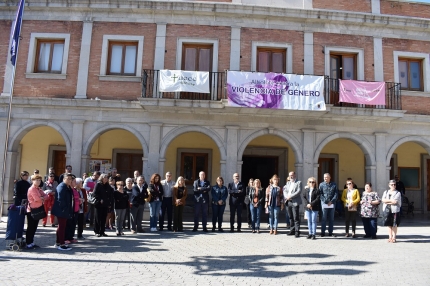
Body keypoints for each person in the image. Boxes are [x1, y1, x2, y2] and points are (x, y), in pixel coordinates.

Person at [51, 173, 74, 251]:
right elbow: (60, 199)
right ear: (64, 179)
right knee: (62, 227)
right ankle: (62, 244)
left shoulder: (67, 187)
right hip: (61, 210)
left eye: (71, 179)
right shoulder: (62, 186)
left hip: (64, 210)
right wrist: (64, 209)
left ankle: (58, 243)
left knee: (61, 226)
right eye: (68, 178)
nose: (69, 180)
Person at [26, 174, 48, 249]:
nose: (38, 181)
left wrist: (42, 197)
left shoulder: (39, 189)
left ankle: (31, 242)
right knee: (31, 227)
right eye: (37, 180)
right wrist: (42, 198)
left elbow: (46, 196)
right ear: (32, 181)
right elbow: (37, 199)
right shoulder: (31, 189)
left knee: (34, 227)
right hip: (32, 210)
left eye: (39, 180)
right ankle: (28, 242)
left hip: (38, 209)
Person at [319, 173, 338, 237]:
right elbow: (320, 194)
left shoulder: (334, 184)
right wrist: (326, 201)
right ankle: (323, 232)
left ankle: (330, 232)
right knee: (324, 218)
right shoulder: (321, 185)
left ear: (330, 178)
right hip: (324, 203)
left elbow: (336, 194)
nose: (325, 179)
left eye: (327, 177)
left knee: (331, 218)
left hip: (332, 203)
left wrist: (332, 201)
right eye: (324, 177)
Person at [283, 171, 302, 238]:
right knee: (290, 217)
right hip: (288, 202)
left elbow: (298, 191)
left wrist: (290, 196)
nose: (291, 176)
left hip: (295, 202)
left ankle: (297, 231)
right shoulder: (288, 183)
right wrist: (286, 196)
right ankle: (292, 230)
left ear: (295, 175)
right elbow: (285, 191)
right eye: (290, 175)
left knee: (296, 217)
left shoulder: (299, 182)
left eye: (292, 175)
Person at [65, 175, 80, 244]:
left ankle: (71, 237)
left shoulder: (74, 189)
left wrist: (80, 200)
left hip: (76, 209)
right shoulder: (69, 190)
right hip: (71, 210)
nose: (75, 183)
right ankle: (67, 237)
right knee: (69, 224)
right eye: (74, 181)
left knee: (73, 224)